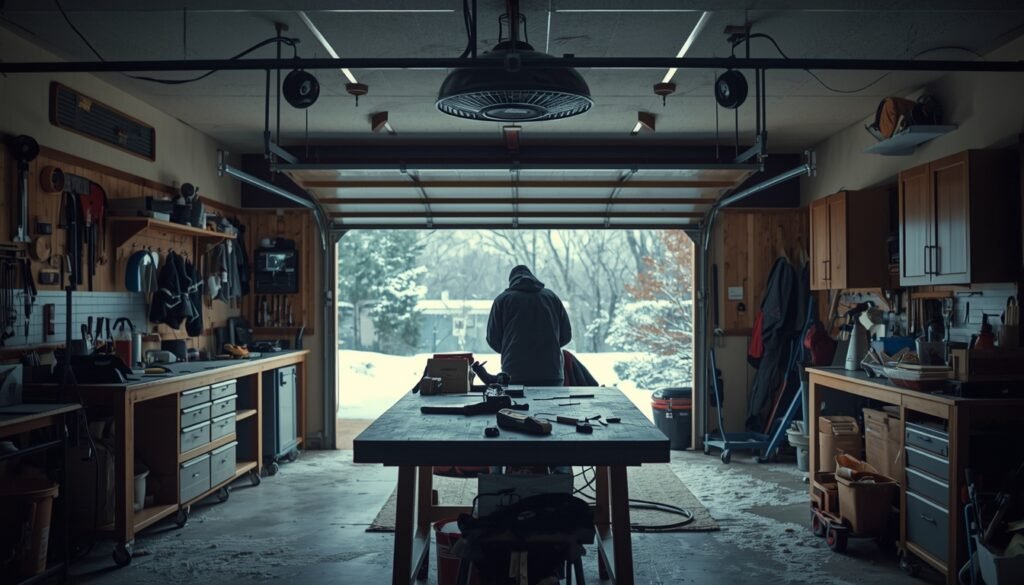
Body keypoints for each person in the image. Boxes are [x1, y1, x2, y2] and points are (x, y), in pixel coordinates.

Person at [487, 265, 572, 386]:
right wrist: (549, 347)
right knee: (551, 405)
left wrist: (512, 349)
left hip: (514, 374)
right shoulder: (552, 298)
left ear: (511, 281)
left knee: (517, 405)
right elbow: (566, 335)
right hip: (552, 375)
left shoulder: (502, 301)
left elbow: (493, 339)